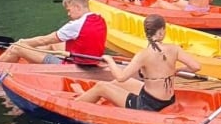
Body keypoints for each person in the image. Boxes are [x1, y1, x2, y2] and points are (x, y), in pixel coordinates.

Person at [72, 14, 201, 111]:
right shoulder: (175, 49)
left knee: (102, 86)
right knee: (118, 83)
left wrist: (110, 60)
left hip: (148, 105)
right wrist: (177, 70)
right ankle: (94, 97)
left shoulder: (143, 55)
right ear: (161, 31)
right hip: (168, 100)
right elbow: (196, 67)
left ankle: (77, 102)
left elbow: (121, 76)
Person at [0, 0, 107, 67]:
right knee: (50, 46)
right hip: (91, 61)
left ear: (77, 7)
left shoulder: (76, 25)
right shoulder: (99, 18)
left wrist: (22, 42)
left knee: (17, 48)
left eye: (69, 10)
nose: (68, 14)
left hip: (73, 67)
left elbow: (44, 39)